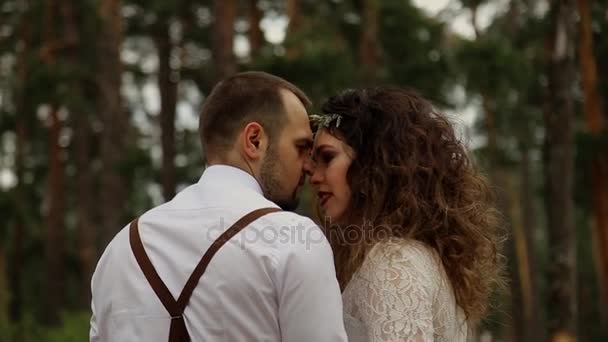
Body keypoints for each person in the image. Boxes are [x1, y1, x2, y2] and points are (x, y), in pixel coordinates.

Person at [90, 71, 348, 342]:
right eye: (301, 147)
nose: (308, 166)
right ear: (254, 141)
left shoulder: (120, 250)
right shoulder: (294, 240)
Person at [308, 87, 505, 341]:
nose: (313, 177)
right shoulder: (415, 255)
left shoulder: (393, 265)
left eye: (327, 157)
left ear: (372, 164)